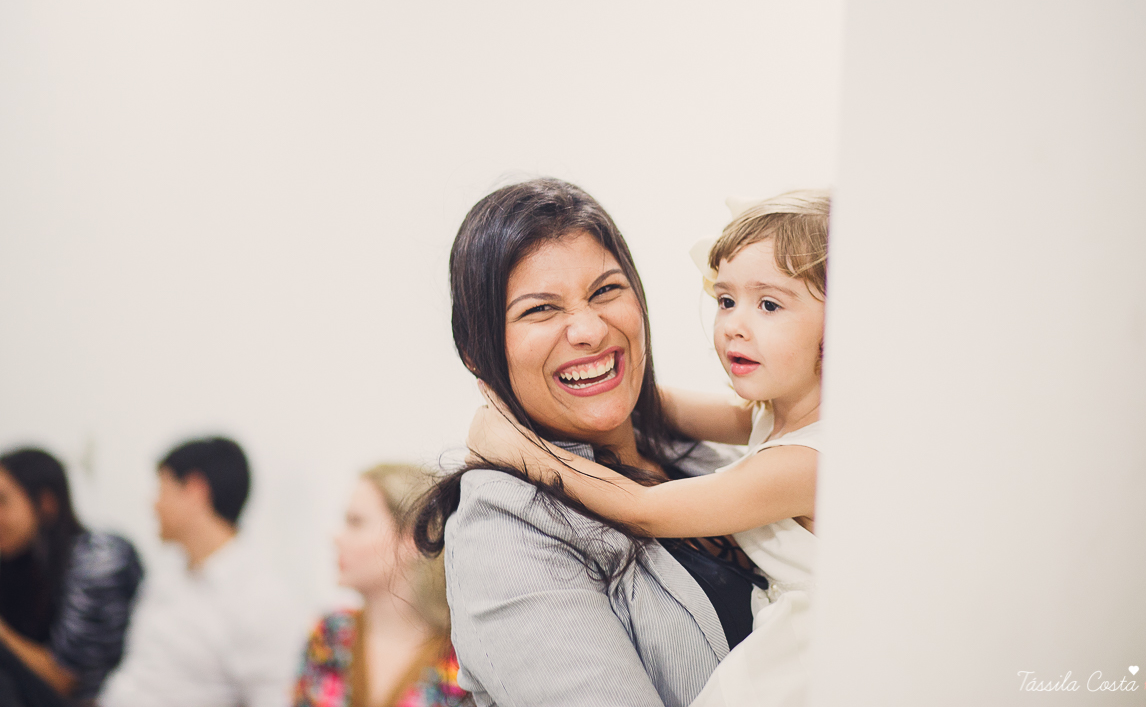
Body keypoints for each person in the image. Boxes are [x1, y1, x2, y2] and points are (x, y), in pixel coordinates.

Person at [468, 190, 829, 706]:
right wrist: (580, 377)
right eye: (725, 301)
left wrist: (518, 447)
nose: (733, 326)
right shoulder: (768, 416)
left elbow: (644, 508)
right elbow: (651, 402)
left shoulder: (806, 461)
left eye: (769, 304)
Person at [413, 178, 761, 707]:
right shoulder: (504, 529)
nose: (589, 330)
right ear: (476, 353)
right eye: (540, 310)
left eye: (606, 291)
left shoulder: (685, 448)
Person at [99, 437, 303, 707]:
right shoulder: (168, 573)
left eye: (163, 490)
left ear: (195, 491)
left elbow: (274, 698)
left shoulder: (259, 597)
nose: (154, 504)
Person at [293, 463, 466, 707]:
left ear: (413, 538)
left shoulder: (462, 661)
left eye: (356, 522)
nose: (336, 537)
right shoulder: (328, 635)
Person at [0, 448, 143, 706]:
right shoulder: (17, 560)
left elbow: (68, 681)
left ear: (46, 503)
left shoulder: (100, 557)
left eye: (2, 501)